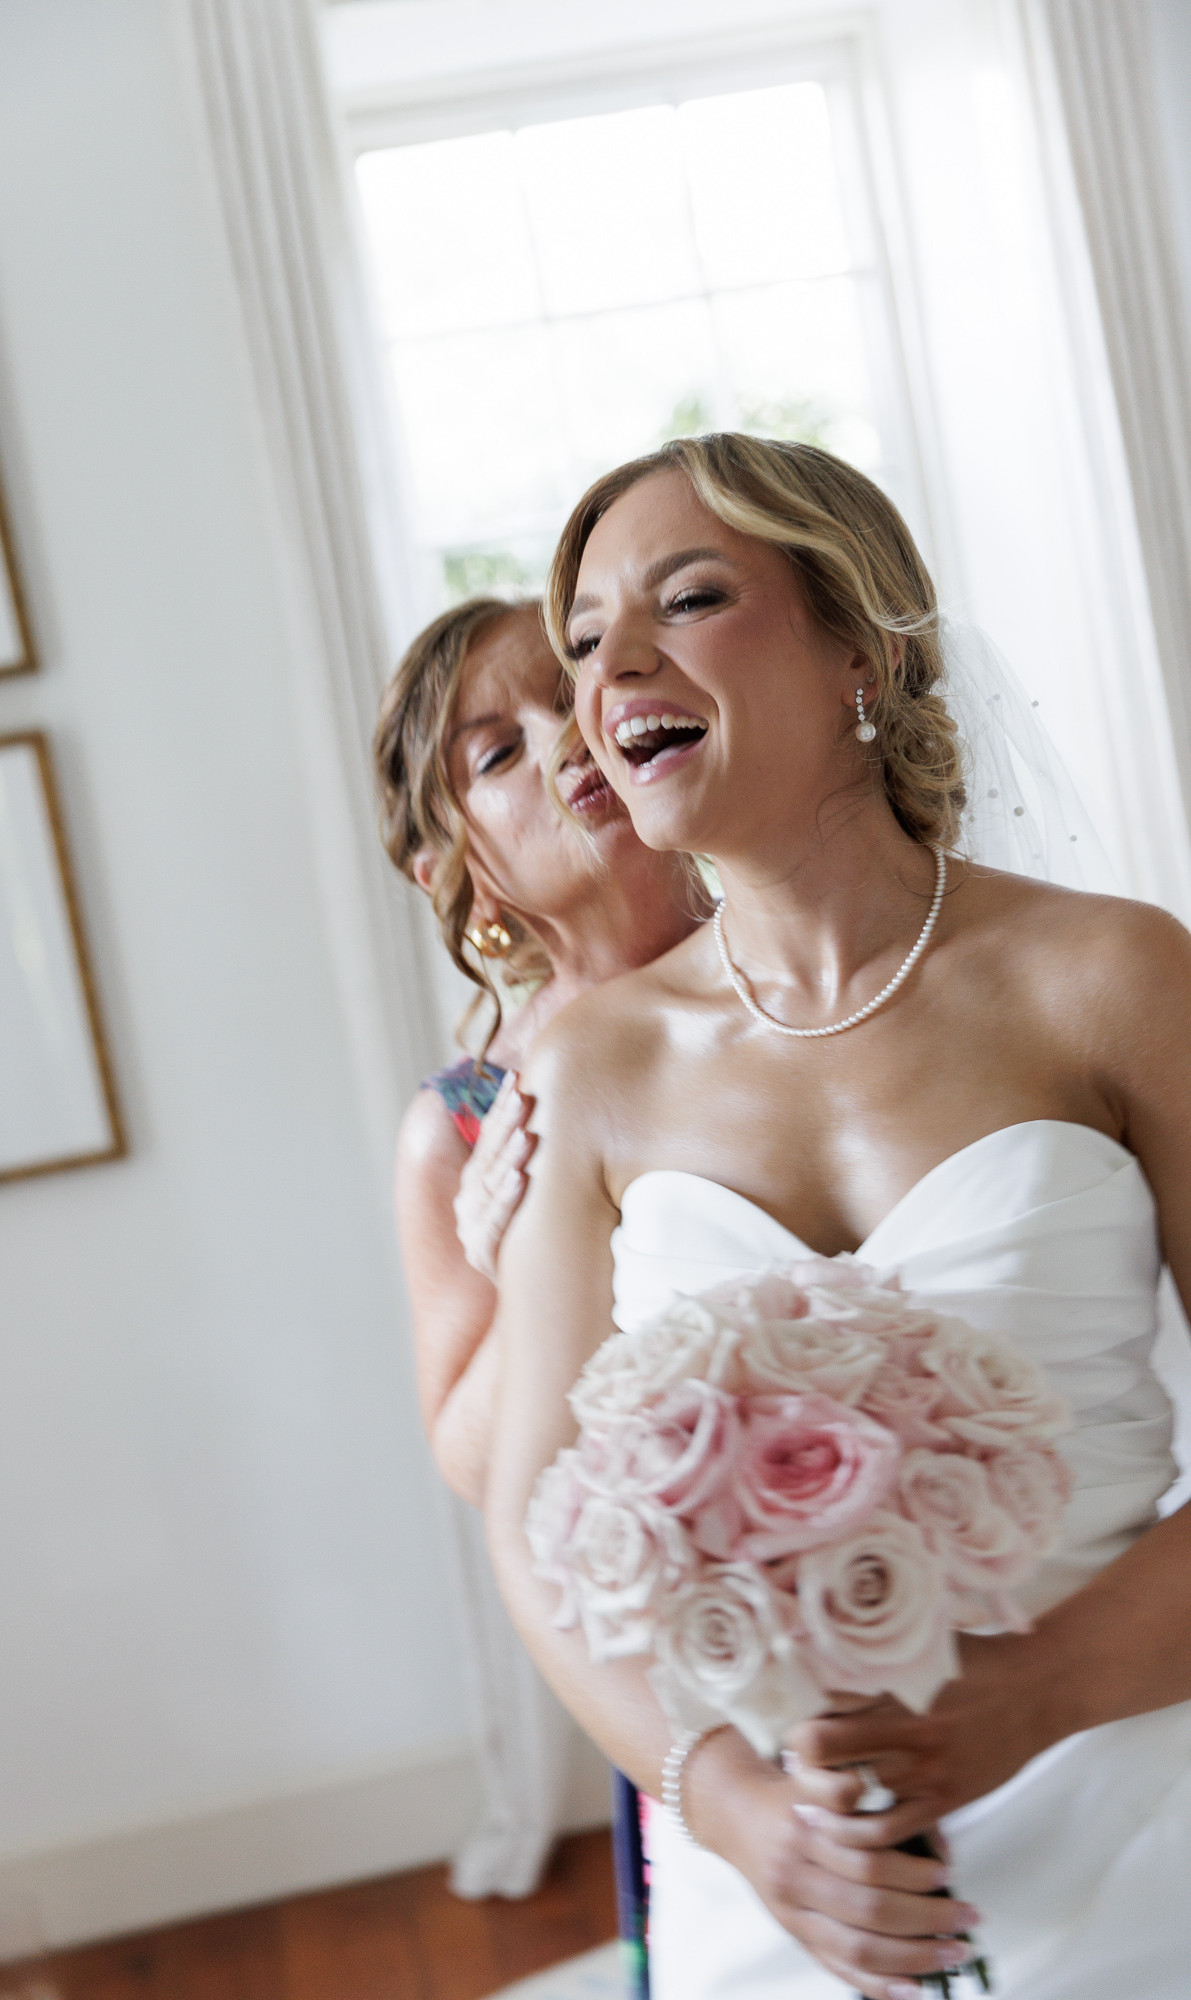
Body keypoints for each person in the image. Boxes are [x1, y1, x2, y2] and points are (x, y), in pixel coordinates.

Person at [484, 432, 1191, 2000]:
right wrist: (733, 1809)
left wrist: (1035, 1693)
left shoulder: (1114, 978)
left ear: (857, 647)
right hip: (792, 1864)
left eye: (687, 598)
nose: (617, 668)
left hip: (1137, 1798)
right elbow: (532, 1522)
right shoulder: (588, 1063)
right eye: (588, 638)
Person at [374, 594, 705, 1986]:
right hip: (681, 1602)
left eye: (561, 696)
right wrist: (523, 1266)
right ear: (463, 870)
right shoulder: (458, 1122)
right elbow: (465, 1451)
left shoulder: (795, 971)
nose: (557, 743)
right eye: (492, 753)